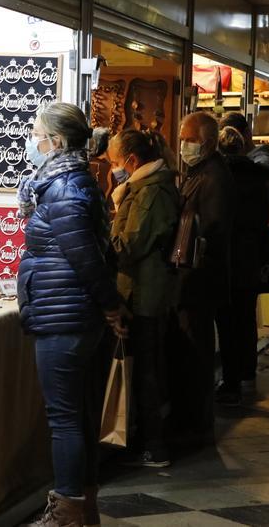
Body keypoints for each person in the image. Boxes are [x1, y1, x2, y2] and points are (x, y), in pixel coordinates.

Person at [17, 102, 122, 527]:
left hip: (66, 318)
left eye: (37, 133)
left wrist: (112, 306)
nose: (32, 141)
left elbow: (87, 260)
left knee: (65, 420)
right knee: (76, 415)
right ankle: (83, 509)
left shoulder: (63, 189)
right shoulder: (68, 183)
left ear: (56, 142)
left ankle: (67, 514)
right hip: (71, 314)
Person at [107, 129, 180, 467]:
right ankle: (148, 438)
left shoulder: (151, 193)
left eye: (115, 163)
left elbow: (130, 244)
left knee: (147, 370)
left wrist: (98, 242)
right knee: (145, 368)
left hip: (145, 295)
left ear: (132, 161)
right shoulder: (143, 189)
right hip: (140, 291)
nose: (113, 169)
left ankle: (155, 444)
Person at [167, 112, 233, 449]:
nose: (183, 144)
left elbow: (212, 230)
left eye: (188, 138)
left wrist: (193, 269)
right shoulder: (199, 172)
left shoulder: (213, 177)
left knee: (196, 351)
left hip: (198, 281)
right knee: (191, 351)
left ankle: (196, 424)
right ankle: (192, 420)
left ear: (206, 141)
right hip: (192, 280)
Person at [213, 123, 269, 406]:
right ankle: (248, 374)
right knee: (246, 320)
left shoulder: (221, 178)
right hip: (249, 258)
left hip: (226, 258)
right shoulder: (258, 179)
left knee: (227, 322)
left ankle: (231, 380)